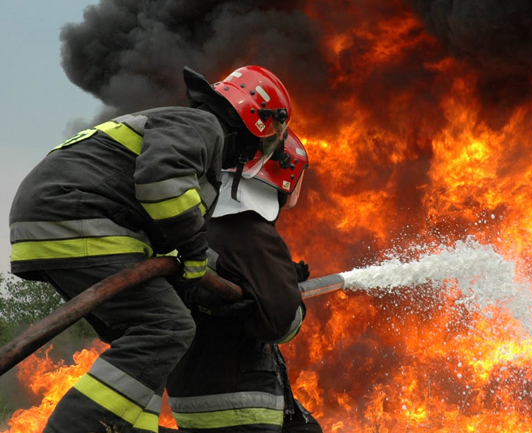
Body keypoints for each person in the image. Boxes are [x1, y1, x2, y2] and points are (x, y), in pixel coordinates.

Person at [8, 64, 293, 433]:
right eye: (270, 135)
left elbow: (165, 226)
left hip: (59, 217)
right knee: (168, 328)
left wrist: (209, 272)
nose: (263, 148)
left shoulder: (187, 130)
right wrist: (193, 253)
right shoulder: (204, 127)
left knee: (144, 344)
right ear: (256, 118)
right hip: (77, 214)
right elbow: (161, 184)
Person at [165, 128, 322, 433]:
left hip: (190, 391)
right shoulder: (251, 231)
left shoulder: (199, 224)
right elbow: (281, 323)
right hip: (238, 402)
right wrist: (290, 295)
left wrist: (279, 276)